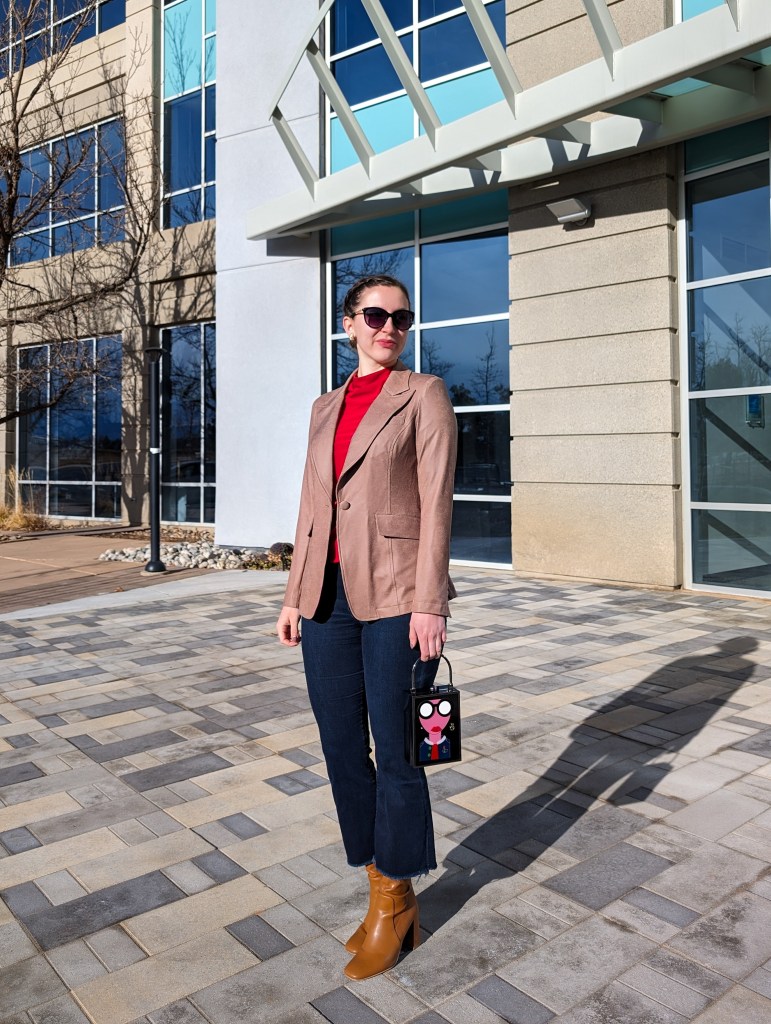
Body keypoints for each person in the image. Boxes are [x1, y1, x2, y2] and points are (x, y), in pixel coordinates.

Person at [276, 273, 457, 981]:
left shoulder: (424, 395)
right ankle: (385, 887)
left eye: (401, 318)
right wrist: (294, 594)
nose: (390, 327)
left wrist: (430, 602)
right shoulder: (324, 406)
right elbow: (312, 505)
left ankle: (394, 900)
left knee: (399, 751)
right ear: (347, 323)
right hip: (326, 597)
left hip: (393, 598)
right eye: (376, 315)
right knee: (342, 749)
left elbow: (437, 503)